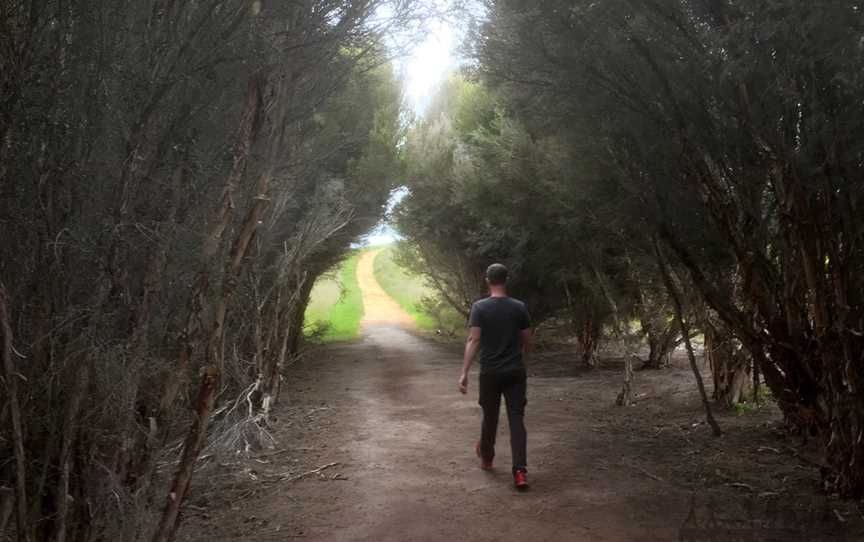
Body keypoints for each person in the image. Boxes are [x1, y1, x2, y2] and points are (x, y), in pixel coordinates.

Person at [458, 263, 532, 489]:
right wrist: (523, 362)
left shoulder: (480, 307)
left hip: (490, 372)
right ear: (506, 280)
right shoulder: (519, 307)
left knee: (490, 417)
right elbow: (528, 339)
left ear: (487, 280)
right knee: (517, 420)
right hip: (515, 372)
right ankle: (520, 472)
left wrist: (464, 373)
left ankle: (487, 458)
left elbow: (474, 340)